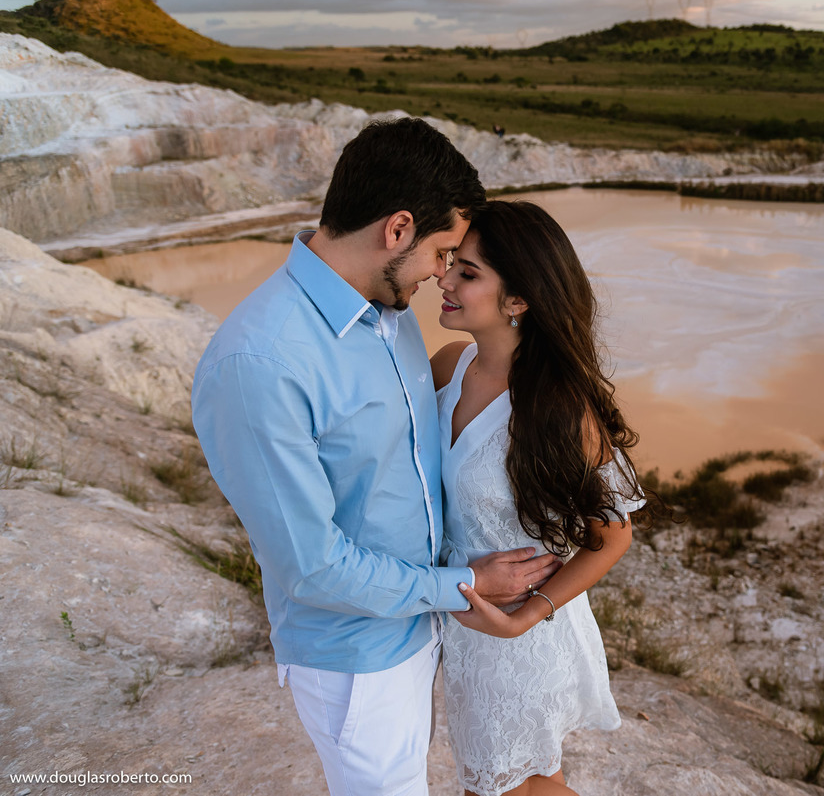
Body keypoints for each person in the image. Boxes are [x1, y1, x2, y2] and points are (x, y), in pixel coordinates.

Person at [191, 119, 560, 796]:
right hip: (356, 661)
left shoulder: (385, 314)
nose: (443, 272)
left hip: (416, 630)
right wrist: (461, 583)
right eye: (442, 250)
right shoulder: (262, 360)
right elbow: (312, 564)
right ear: (396, 230)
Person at [429, 200, 646, 796]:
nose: (443, 279)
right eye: (450, 263)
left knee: (510, 788)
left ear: (519, 299)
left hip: (520, 635)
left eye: (468, 273)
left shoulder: (558, 408)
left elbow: (614, 533)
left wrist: (525, 617)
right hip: (461, 620)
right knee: (505, 786)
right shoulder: (450, 366)